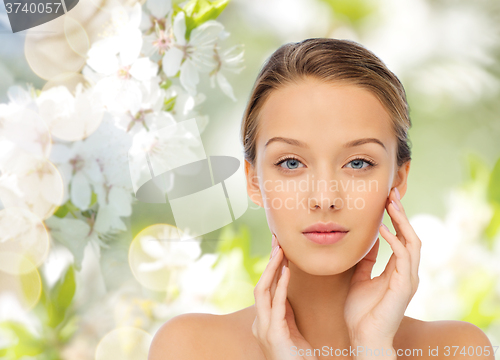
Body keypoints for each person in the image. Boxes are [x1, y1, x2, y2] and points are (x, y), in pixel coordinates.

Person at [148, 38, 495, 359]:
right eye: (291, 163)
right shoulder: (190, 347)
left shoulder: (458, 350)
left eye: (358, 163)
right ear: (254, 181)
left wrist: (372, 348)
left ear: (398, 178)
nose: (324, 198)